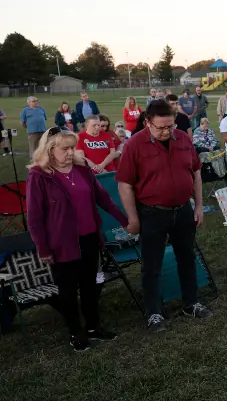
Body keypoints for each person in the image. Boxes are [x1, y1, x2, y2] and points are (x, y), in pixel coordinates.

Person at [27, 127, 128, 351]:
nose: (71, 152)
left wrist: (124, 220)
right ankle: (76, 332)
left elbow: (103, 198)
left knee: (90, 286)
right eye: (66, 149)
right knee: (68, 290)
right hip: (61, 244)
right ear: (51, 150)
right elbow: (34, 218)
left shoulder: (83, 170)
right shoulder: (39, 176)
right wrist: (43, 248)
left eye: (73, 147)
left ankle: (94, 327)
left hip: (90, 238)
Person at [116, 100, 211, 332]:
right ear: (147, 122)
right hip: (152, 213)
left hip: (183, 210)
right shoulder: (134, 145)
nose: (167, 131)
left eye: (170, 126)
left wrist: (198, 206)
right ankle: (154, 312)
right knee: (152, 265)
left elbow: (196, 173)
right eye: (161, 127)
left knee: (187, 257)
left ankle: (191, 302)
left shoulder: (183, 139)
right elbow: (125, 185)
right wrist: (133, 218)